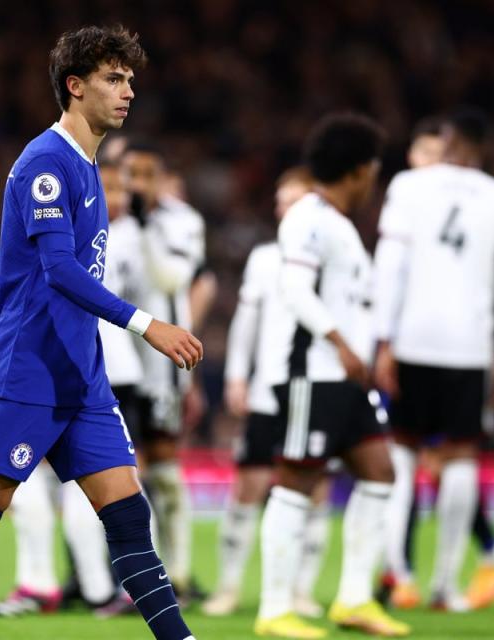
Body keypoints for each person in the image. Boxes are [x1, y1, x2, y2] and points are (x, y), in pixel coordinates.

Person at [0, 25, 202, 640]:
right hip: (26, 375)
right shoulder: (46, 162)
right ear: (75, 86)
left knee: (129, 516)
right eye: (114, 79)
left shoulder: (90, 170)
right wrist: (147, 324)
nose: (128, 93)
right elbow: (60, 271)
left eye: (130, 81)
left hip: (82, 380)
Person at [254, 113, 409, 639]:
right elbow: (295, 292)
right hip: (311, 376)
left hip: (344, 381)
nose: (374, 181)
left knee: (380, 472)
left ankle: (354, 600)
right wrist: (342, 345)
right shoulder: (308, 218)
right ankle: (274, 609)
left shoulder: (338, 225)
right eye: (373, 170)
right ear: (360, 170)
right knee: (296, 480)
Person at [373, 109, 494, 612]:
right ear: (482, 150)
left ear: (449, 141)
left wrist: (383, 338)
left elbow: (390, 266)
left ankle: (400, 575)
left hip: (413, 338)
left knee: (402, 450)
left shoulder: (409, 187)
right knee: (460, 456)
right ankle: (445, 585)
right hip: (471, 346)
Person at [0, 159, 142, 617]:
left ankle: (75, 586)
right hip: (73, 365)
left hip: (102, 369)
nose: (117, 197)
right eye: (108, 187)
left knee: (76, 481)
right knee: (49, 477)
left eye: (122, 187)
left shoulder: (118, 236)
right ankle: (88, 588)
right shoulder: (77, 224)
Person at [203, 167, 331, 619]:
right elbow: (246, 324)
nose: (284, 211)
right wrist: (238, 376)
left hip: (316, 386)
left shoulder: (331, 257)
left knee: (313, 488)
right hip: (267, 390)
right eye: (280, 202)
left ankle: (301, 591)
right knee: (249, 486)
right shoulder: (265, 258)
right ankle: (229, 586)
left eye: (293, 202)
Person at [122, 141, 207, 601]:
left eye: (145, 174)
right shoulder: (106, 220)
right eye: (128, 174)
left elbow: (173, 279)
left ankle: (178, 573)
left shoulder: (181, 222)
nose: (136, 185)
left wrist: (144, 227)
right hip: (115, 361)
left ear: (159, 178)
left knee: (164, 472)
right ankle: (118, 579)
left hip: (160, 366)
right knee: (116, 472)